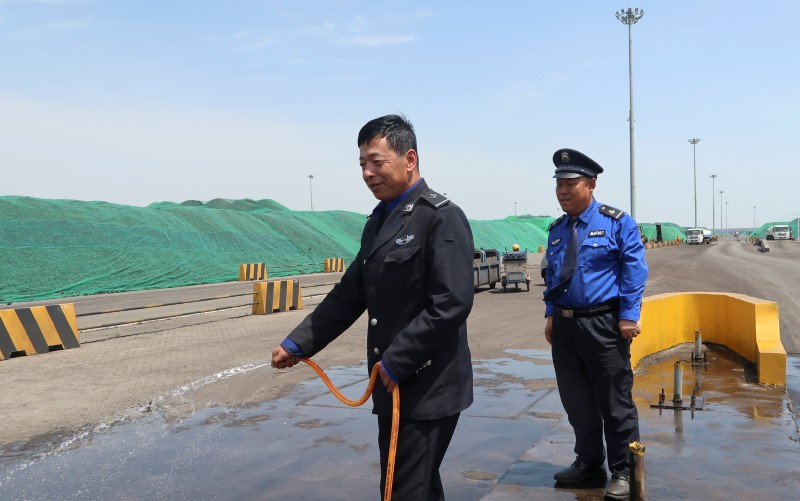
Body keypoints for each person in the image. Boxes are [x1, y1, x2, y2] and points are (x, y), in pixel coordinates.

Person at [271, 114, 475, 500]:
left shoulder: (441, 217)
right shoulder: (379, 222)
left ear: (409, 158)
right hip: (394, 383)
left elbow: (452, 302)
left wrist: (399, 358)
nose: (367, 172)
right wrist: (298, 344)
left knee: (403, 490)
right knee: (415, 486)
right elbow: (351, 293)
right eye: (362, 163)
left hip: (427, 384)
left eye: (376, 162)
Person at [542, 148, 648, 500]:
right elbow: (552, 274)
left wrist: (629, 314)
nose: (563, 191)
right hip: (566, 326)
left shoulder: (616, 222)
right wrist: (550, 314)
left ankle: (623, 471)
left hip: (604, 325)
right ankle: (589, 464)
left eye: (570, 183)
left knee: (615, 402)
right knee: (577, 402)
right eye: (559, 184)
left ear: (591, 184)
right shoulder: (556, 229)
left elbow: (634, 270)